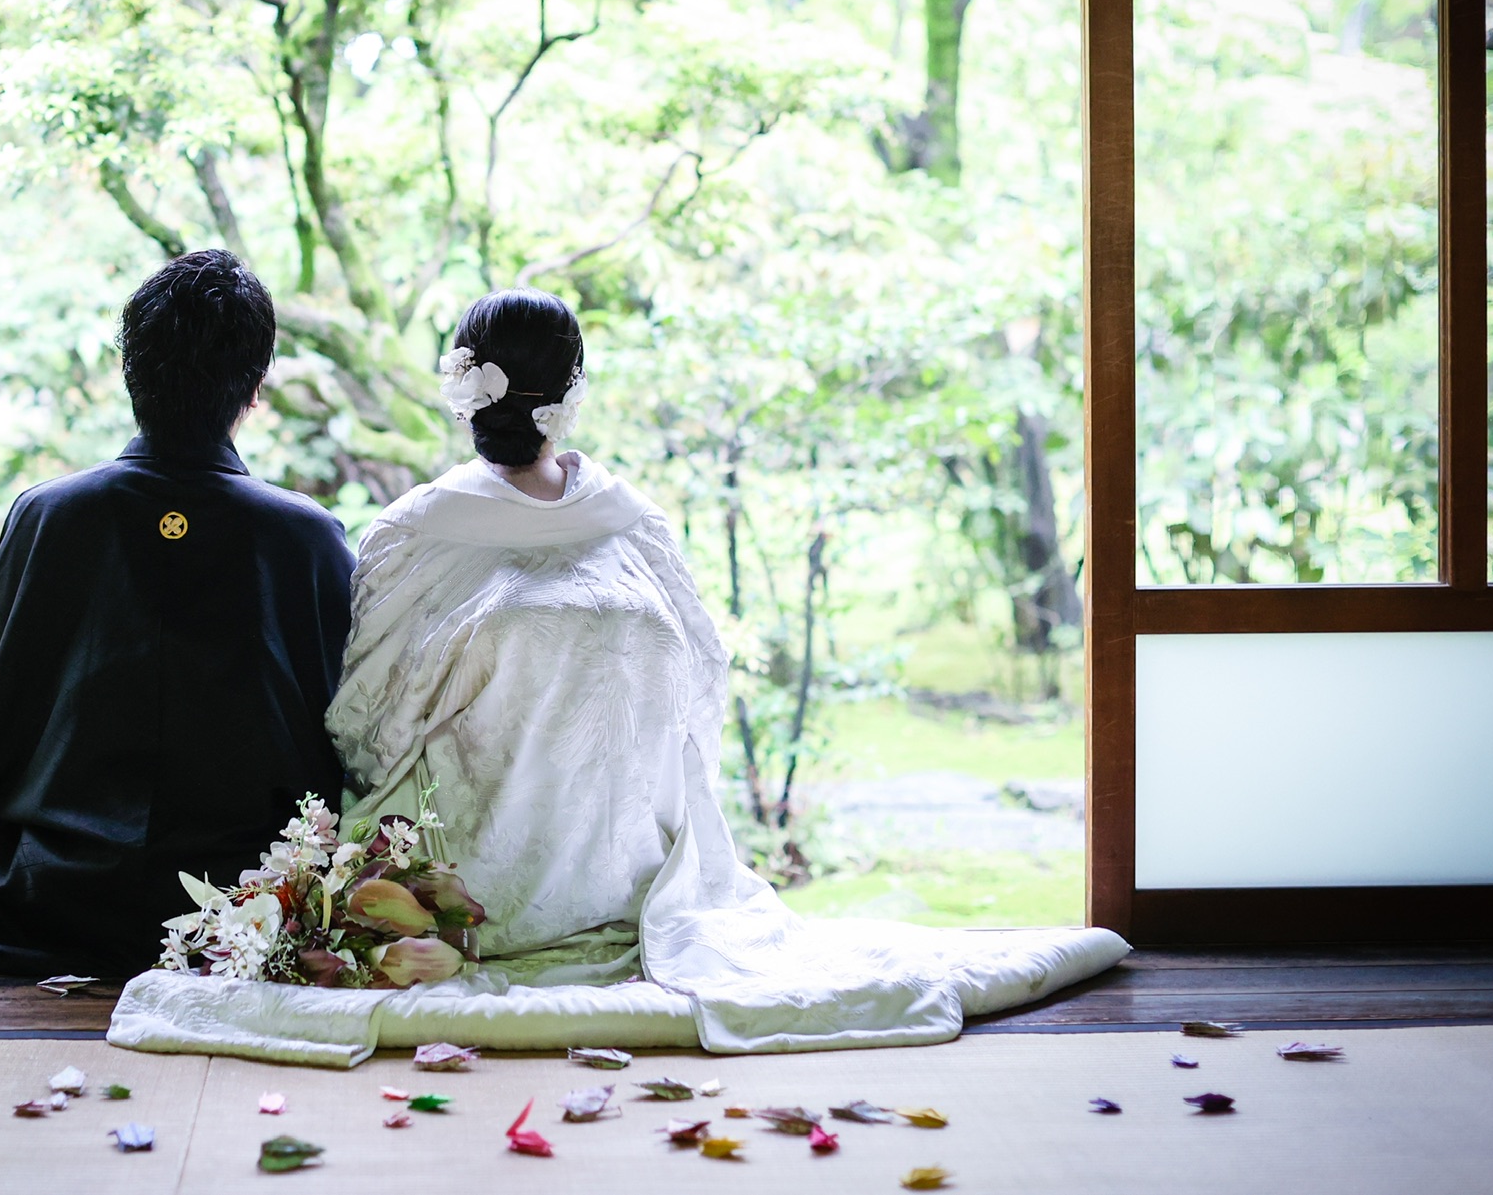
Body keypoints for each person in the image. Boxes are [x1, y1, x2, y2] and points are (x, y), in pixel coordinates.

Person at [320, 288, 1125, 1052]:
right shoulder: (422, 530)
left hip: (625, 866)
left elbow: (378, 716)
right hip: (463, 880)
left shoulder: (624, 519)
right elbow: (376, 717)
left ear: (461, 386)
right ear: (571, 387)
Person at [0, 251, 353, 978]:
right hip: (241, 910)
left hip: (42, 899)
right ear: (255, 383)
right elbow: (340, 736)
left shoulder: (46, 516)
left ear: (129, 368)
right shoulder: (302, 537)